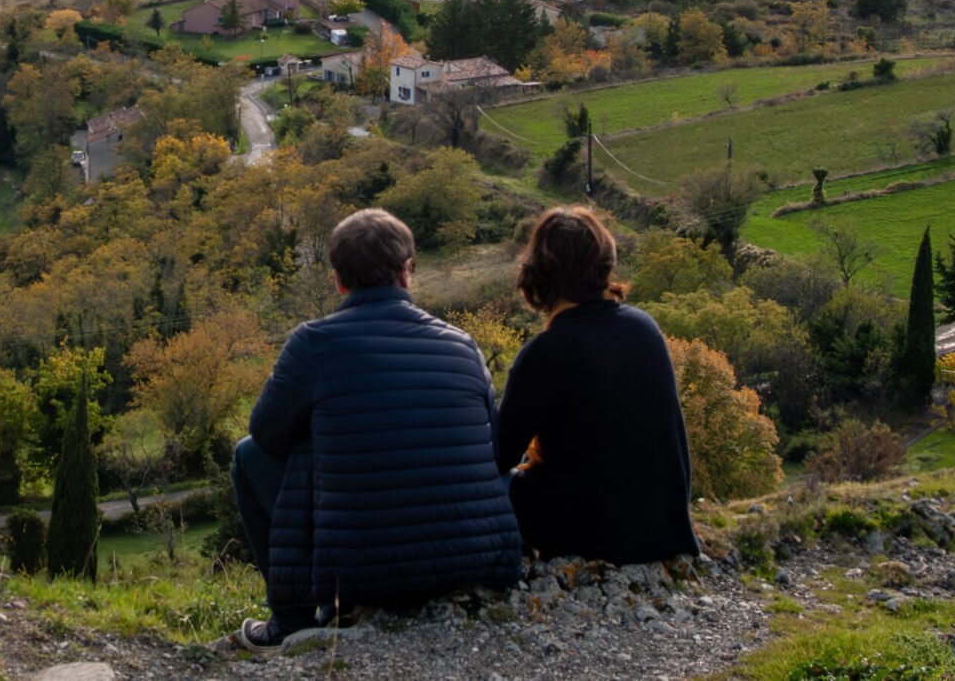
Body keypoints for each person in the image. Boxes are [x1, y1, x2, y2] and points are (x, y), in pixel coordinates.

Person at [226, 208, 521, 656]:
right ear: (406, 273)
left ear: (338, 281)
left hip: (358, 574)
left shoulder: (312, 343)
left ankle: (291, 622)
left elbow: (265, 436)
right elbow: (495, 449)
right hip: (479, 561)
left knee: (249, 455)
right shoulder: (463, 344)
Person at [495, 206, 699, 564]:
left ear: (537, 273)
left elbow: (498, 456)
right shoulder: (644, 328)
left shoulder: (544, 353)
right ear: (605, 263)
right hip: (663, 531)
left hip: (589, 537)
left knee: (494, 483)